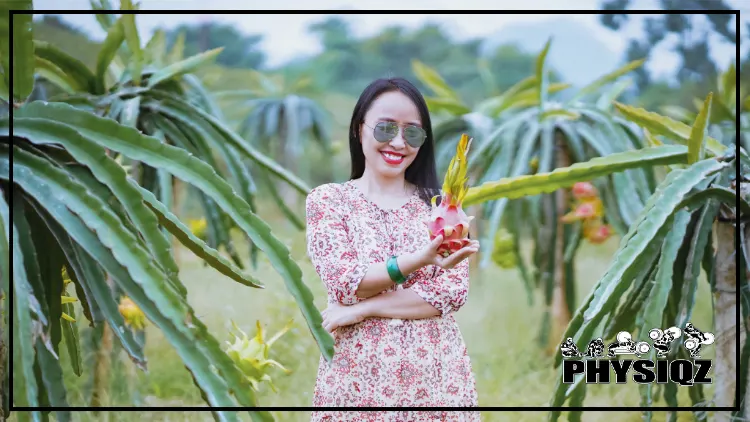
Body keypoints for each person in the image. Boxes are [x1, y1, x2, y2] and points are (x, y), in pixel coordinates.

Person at [305, 77, 481, 421]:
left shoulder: (442, 207)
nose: (398, 143)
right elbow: (346, 282)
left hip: (438, 384)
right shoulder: (330, 200)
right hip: (357, 385)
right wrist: (421, 260)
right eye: (386, 129)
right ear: (359, 129)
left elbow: (451, 292)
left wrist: (362, 310)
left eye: (412, 133)